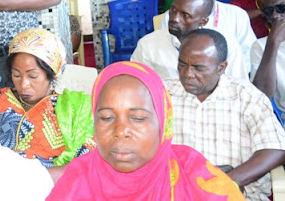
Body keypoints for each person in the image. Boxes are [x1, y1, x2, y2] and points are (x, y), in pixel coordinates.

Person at [46, 62, 244, 200]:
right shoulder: (78, 179)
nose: (121, 131)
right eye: (106, 117)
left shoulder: (194, 174)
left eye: (138, 118)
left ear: (163, 124)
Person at [166, 28, 285, 200]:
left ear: (221, 68)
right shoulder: (162, 93)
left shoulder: (246, 96)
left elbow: (276, 148)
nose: (187, 74)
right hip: (176, 193)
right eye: (182, 64)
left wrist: (225, 182)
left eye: (199, 68)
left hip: (237, 193)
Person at [0, 28, 94, 167]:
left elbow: (86, 163)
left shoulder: (74, 109)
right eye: (16, 75)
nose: (23, 84)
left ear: (53, 74)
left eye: (33, 76)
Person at [131, 0, 247, 80]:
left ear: (203, 21)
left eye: (185, 15)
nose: (175, 19)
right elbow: (137, 85)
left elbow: (238, 86)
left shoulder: (226, 44)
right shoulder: (148, 44)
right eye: (173, 10)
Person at [161, 0, 256, 72]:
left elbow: (248, 53)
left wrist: (222, 75)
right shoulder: (172, 16)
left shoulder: (237, 15)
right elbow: (163, 52)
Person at [251, 0, 285, 114]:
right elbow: (261, 95)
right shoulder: (261, 46)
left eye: (281, 8)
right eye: (269, 11)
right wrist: (273, 43)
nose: (275, 15)